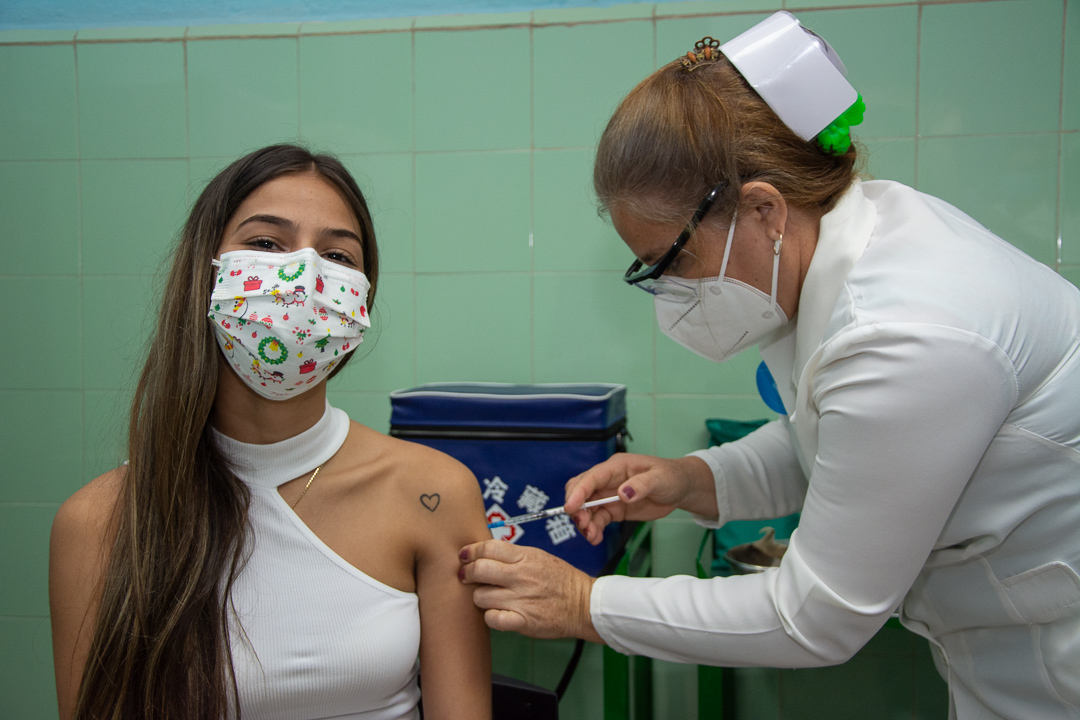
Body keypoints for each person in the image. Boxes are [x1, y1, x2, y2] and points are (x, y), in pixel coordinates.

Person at [458, 12, 1080, 719]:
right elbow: (837, 444)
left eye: (674, 263)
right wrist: (691, 480)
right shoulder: (851, 257)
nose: (673, 296)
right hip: (1011, 651)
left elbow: (814, 618)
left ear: (763, 211)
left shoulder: (907, 331)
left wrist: (582, 603)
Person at [49, 144, 492, 720]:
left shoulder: (433, 493)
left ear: (362, 298)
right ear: (203, 272)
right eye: (264, 244)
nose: (303, 276)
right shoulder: (102, 522)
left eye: (337, 255)